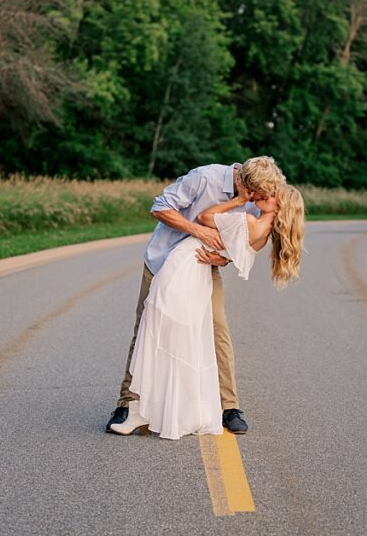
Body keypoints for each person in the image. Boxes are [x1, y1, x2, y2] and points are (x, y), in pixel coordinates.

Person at [108, 183, 305, 439]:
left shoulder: (247, 218)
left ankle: (145, 409)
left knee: (157, 328)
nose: (264, 195)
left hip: (185, 265)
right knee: (179, 332)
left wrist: (236, 201)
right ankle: (161, 406)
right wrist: (222, 258)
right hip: (195, 268)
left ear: (281, 206)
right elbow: (238, 256)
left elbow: (204, 218)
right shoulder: (264, 234)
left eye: (271, 195)